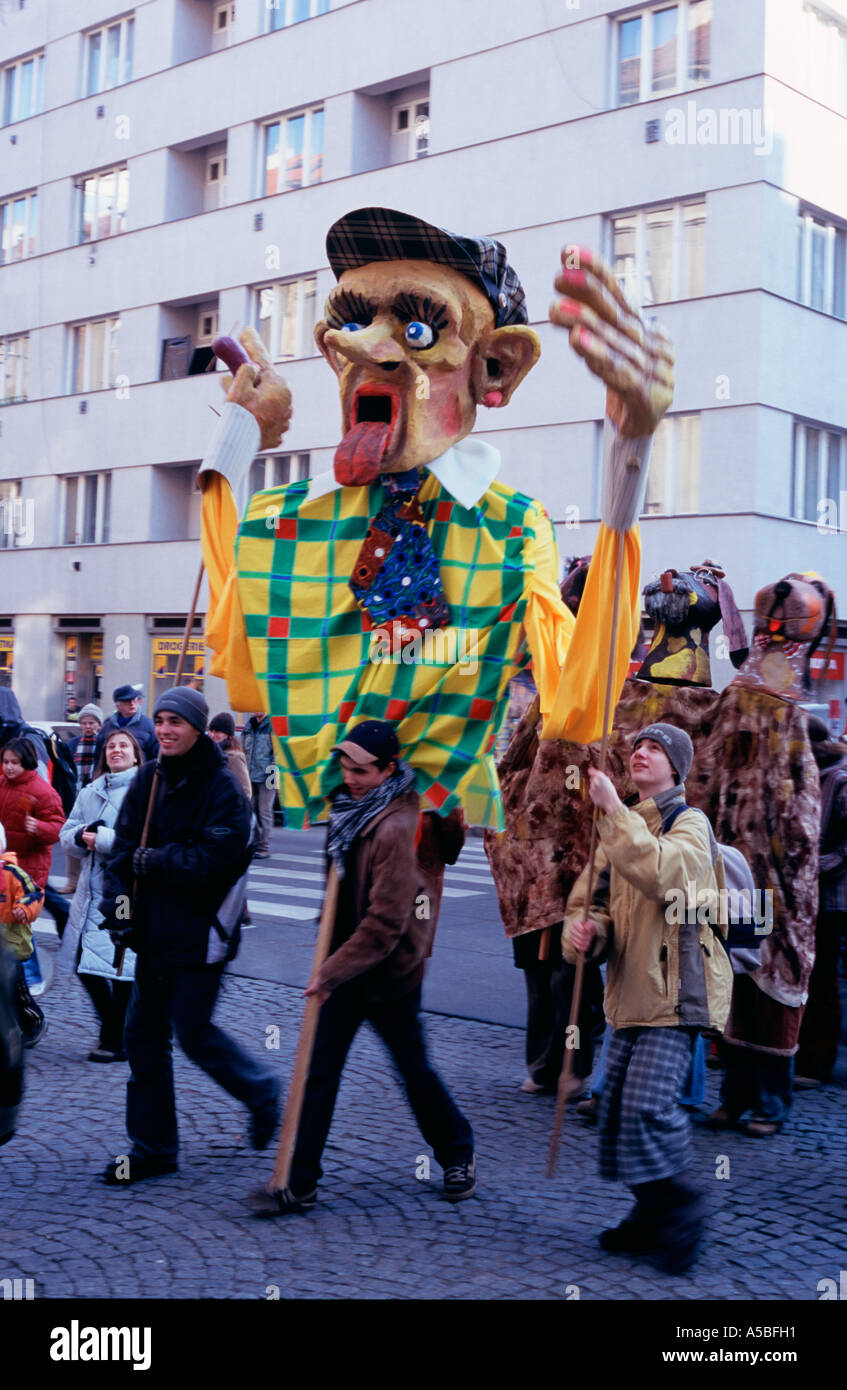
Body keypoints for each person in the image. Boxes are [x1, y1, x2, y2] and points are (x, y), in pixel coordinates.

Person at [261, 719, 475, 1216]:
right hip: (345, 963)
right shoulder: (347, 808)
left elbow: (385, 922)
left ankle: (457, 1152)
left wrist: (329, 971)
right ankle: (301, 1182)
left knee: (413, 1069)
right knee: (320, 1072)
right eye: (345, 765)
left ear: (389, 769)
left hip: (389, 973)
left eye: (360, 770)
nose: (349, 776)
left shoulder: (400, 824)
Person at [563, 723, 732, 1273]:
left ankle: (682, 1207)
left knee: (646, 1109)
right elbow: (591, 903)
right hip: (629, 993)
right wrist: (587, 933)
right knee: (615, 1112)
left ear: (676, 770)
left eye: (655, 749)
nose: (641, 753)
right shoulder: (622, 826)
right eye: (638, 746)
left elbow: (665, 875)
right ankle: (649, 1212)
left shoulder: (692, 824)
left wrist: (614, 810)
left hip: (676, 994)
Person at [98, 686, 279, 1184]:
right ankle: (154, 1148)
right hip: (152, 933)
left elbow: (219, 861)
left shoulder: (224, 786)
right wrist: (119, 909)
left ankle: (260, 1090)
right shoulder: (150, 779)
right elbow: (122, 853)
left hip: (203, 934)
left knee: (194, 1032)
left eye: (176, 721)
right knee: (142, 1036)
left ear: (198, 727)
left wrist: (157, 861)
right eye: (159, 720)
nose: (164, 729)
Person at [58, 729, 144, 1062]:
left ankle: (115, 1039)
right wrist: (81, 836)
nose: (116, 750)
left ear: (135, 754)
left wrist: (105, 839)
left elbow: (144, 841)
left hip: (125, 893)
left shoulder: (144, 791)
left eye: (123, 745)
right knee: (83, 961)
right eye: (111, 746)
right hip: (91, 892)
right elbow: (67, 834)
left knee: (122, 963)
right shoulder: (90, 791)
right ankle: (117, 1029)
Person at [795, 717, 847, 1085]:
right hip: (794, 894)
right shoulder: (799, 775)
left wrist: (814, 866)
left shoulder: (839, 779)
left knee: (822, 975)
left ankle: (817, 1061)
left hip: (829, 897)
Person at [0, 820, 45, 1050]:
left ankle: (33, 1022)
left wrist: (24, 908)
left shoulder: (12, 873)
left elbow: (35, 893)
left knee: (17, 992)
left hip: (12, 944)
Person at [95, 685, 158, 763]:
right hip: (111, 773)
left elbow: (155, 757)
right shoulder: (107, 726)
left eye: (134, 700)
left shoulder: (149, 725)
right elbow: (99, 757)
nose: (132, 703)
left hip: (140, 774)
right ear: (117, 706)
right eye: (127, 701)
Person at [242, 711, 274, 857]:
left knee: (265, 811)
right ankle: (254, 844)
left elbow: (277, 753)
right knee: (251, 810)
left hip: (270, 773)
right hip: (250, 773)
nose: (256, 709)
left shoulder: (272, 725)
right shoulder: (249, 725)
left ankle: (264, 847)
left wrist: (273, 775)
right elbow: (242, 750)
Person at [208, 713, 251, 800]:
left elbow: (246, 791)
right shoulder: (209, 753)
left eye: (217, 731)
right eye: (211, 731)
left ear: (228, 735)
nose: (212, 735)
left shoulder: (234, 757)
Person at [68, 704, 104, 791]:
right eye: (84, 723)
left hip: (98, 787)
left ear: (99, 724)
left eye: (91, 723)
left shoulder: (104, 743)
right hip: (77, 788)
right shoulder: (72, 743)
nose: (87, 726)